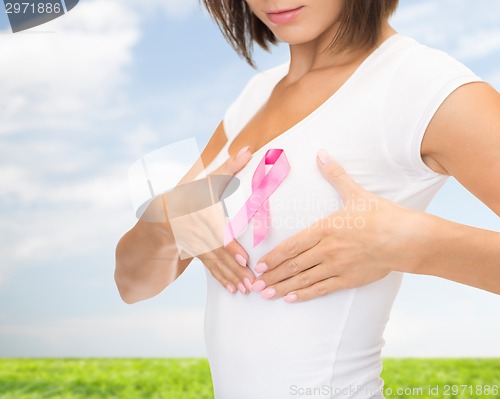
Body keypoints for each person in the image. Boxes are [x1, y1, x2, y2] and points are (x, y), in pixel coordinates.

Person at [115, 0, 500, 397]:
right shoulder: (255, 95)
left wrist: (415, 245)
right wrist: (165, 222)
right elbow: (133, 286)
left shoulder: (426, 87)